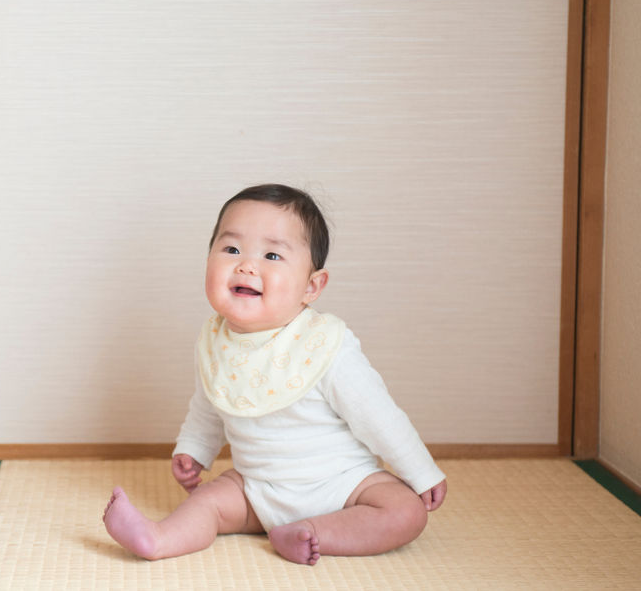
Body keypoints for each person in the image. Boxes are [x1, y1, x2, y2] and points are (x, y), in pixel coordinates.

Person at [103, 184, 447, 565]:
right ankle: (159, 538)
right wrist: (194, 448)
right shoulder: (215, 340)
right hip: (256, 489)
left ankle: (314, 532)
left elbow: (378, 415)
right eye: (232, 249)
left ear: (311, 286)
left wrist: (420, 470)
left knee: (406, 512)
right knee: (209, 500)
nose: (246, 266)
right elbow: (211, 401)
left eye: (271, 255)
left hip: (343, 486)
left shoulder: (324, 344)